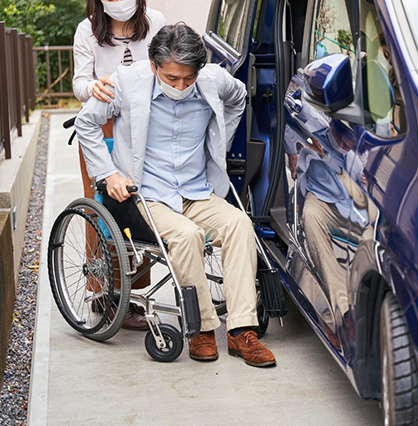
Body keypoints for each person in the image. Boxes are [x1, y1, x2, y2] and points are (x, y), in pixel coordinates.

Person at [75, 23, 276, 367]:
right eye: (171, 78)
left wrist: (219, 144)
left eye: (188, 78)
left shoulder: (213, 79)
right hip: (147, 195)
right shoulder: (126, 82)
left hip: (197, 190)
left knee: (240, 224)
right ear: (154, 66)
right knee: (187, 236)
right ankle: (203, 329)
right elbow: (86, 123)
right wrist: (108, 174)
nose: (181, 86)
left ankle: (242, 329)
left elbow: (238, 97)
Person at [73, 0, 166, 330]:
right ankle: (103, 292)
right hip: (102, 125)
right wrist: (93, 87)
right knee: (102, 209)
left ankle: (134, 295)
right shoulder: (88, 29)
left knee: (139, 206)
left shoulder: (155, 21)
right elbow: (79, 81)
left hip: (144, 127)